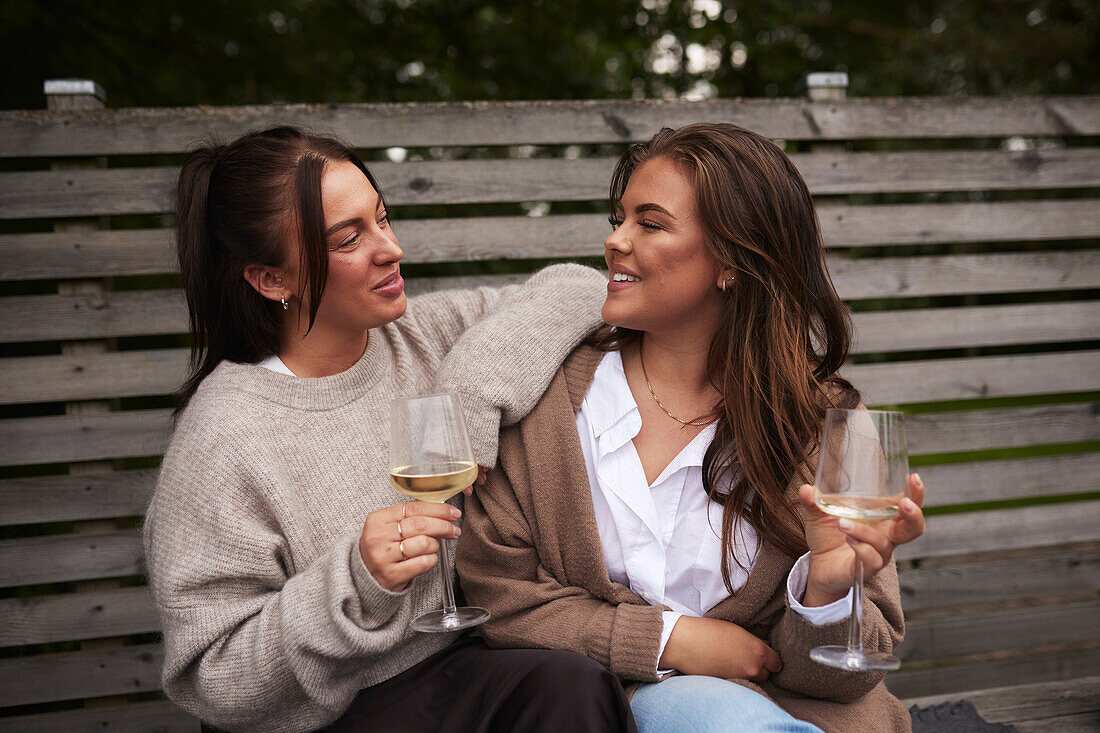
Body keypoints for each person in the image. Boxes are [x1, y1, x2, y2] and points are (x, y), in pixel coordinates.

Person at [143, 126, 637, 733]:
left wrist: (473, 387)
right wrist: (354, 580)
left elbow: (581, 287)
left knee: (573, 685)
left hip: (460, 663)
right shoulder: (224, 441)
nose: (390, 248)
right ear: (273, 280)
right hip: (335, 713)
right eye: (350, 238)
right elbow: (211, 678)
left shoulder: (424, 336)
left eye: (383, 218)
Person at [456, 123, 927, 733]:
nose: (614, 240)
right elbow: (499, 598)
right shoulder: (548, 405)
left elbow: (844, 676)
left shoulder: (826, 428)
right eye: (618, 218)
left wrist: (826, 592)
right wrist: (668, 639)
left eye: (649, 224)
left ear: (732, 260)